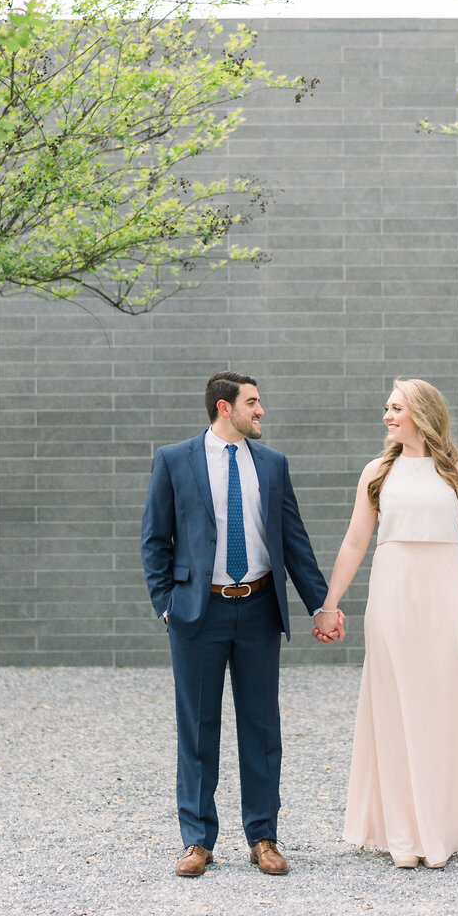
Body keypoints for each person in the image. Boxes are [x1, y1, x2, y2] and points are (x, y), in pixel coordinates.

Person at [313, 377, 458, 869]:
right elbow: (354, 543)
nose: (386, 415)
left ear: (421, 413)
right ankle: (405, 835)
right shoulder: (376, 472)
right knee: (395, 709)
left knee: (446, 709)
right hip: (392, 600)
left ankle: (444, 827)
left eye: (395, 408)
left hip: (447, 602)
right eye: (386, 408)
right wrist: (329, 604)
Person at [141, 370, 344, 879]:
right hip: (197, 613)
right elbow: (154, 539)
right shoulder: (173, 460)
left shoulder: (272, 464)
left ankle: (263, 837)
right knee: (198, 728)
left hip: (257, 609)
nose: (261, 411)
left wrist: (322, 604)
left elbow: (293, 540)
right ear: (224, 407)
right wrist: (167, 604)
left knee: (261, 726)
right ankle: (197, 842)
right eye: (253, 403)